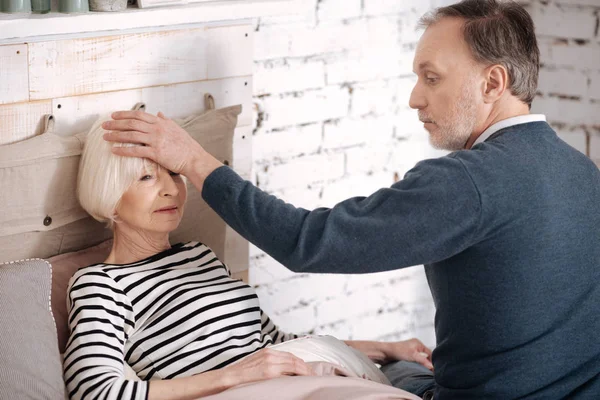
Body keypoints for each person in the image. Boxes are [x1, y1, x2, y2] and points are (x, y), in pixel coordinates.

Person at [102, 0, 600, 399]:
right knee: (397, 364)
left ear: (493, 82)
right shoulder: (581, 170)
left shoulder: (469, 181)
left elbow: (307, 242)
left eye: (432, 77)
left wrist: (193, 159)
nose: (414, 98)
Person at [63, 116, 433, 400]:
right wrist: (237, 375)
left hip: (289, 378)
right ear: (107, 193)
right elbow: (94, 390)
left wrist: (384, 348)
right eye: (146, 178)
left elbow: (277, 343)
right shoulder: (101, 284)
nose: (170, 190)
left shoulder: (199, 255)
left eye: (174, 172)